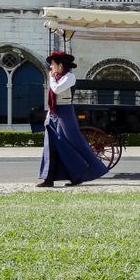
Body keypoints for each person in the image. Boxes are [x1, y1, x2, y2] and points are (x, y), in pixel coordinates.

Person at [36, 52, 109, 188]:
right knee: (51, 145)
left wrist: (51, 78)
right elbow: (52, 100)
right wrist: (48, 116)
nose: (51, 66)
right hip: (54, 114)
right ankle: (48, 178)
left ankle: (83, 174)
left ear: (60, 65)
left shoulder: (70, 77)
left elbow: (57, 89)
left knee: (73, 144)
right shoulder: (57, 77)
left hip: (65, 114)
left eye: (53, 64)